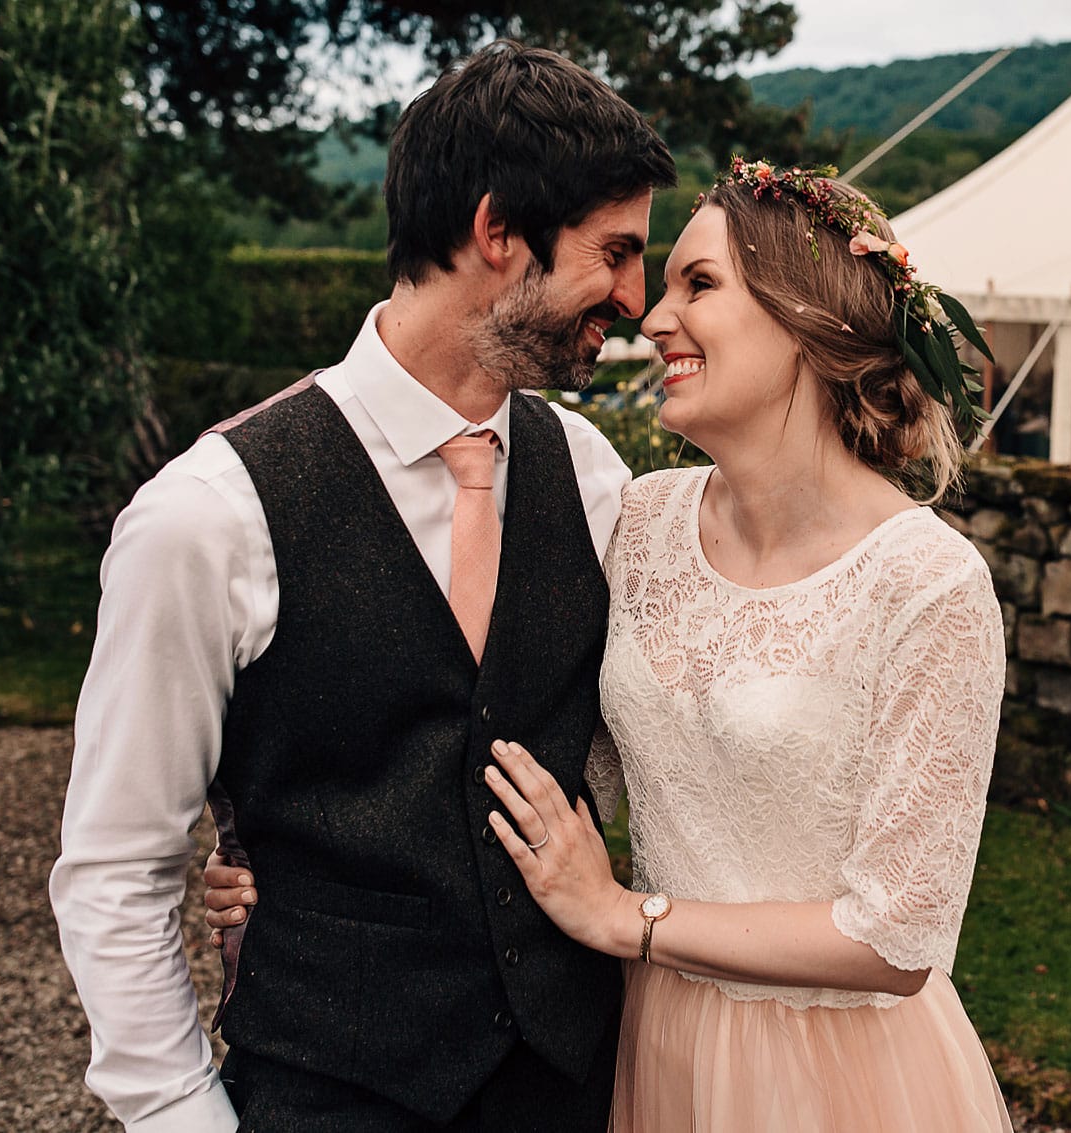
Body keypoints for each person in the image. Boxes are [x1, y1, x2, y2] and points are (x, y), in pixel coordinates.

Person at [210, 160, 1014, 1131]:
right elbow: (542, 765)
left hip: (834, 1069)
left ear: (815, 318)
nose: (651, 316)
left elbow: (897, 936)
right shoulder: (641, 521)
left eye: (697, 284)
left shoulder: (928, 583)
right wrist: (305, 869)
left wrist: (621, 916)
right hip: (650, 1042)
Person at [50, 41, 675, 1131]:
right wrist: (178, 1114)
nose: (634, 297)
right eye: (615, 251)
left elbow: (636, 744)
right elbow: (115, 865)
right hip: (328, 1095)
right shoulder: (207, 514)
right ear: (496, 233)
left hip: (570, 1086)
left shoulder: (590, 474)